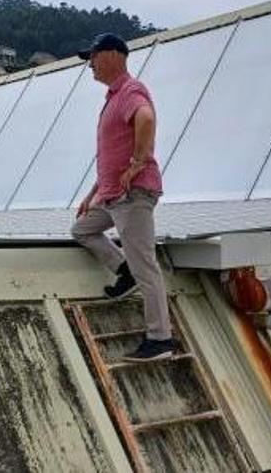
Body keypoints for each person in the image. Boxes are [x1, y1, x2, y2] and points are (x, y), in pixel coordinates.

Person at [71, 33, 176, 362]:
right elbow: (110, 154)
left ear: (113, 55)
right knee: (82, 230)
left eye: (93, 56)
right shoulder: (113, 97)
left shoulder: (131, 90)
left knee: (146, 265)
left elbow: (146, 118)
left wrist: (137, 165)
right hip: (112, 194)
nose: (90, 64)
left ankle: (160, 339)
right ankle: (123, 269)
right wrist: (92, 193)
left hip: (133, 194)